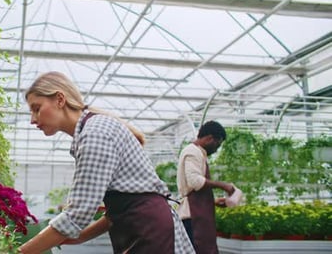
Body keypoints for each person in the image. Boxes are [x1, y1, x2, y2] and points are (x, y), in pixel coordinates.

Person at [19, 71, 194, 254]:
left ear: (60, 99)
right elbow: (118, 208)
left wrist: (18, 252)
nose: (32, 119)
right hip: (143, 227)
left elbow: (77, 213)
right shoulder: (91, 131)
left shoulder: (95, 135)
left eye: (36, 108)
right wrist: (80, 237)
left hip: (148, 230)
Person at [176, 120, 236, 254]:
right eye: (217, 144)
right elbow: (194, 182)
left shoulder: (199, 153)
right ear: (209, 138)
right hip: (192, 219)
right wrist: (223, 185)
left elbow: (194, 189)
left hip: (195, 214)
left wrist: (212, 202)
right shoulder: (192, 151)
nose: (216, 150)